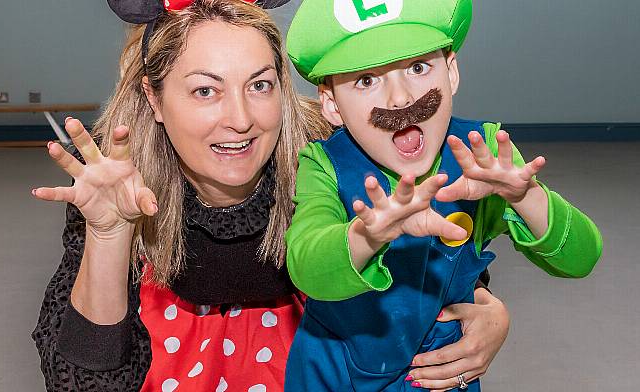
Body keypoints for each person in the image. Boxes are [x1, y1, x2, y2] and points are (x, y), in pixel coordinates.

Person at [32, 0, 511, 391]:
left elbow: (436, 241)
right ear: (154, 99)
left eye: (259, 85)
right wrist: (109, 233)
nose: (240, 118)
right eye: (205, 91)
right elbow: (82, 384)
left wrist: (488, 310)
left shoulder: (330, 156)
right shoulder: (117, 185)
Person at [283, 0, 603, 391]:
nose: (400, 98)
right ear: (331, 103)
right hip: (333, 374)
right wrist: (367, 235)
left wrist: (525, 197)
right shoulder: (323, 165)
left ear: (450, 71)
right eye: (367, 79)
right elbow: (306, 267)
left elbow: (582, 259)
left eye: (418, 68)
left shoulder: (481, 153)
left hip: (440, 374)